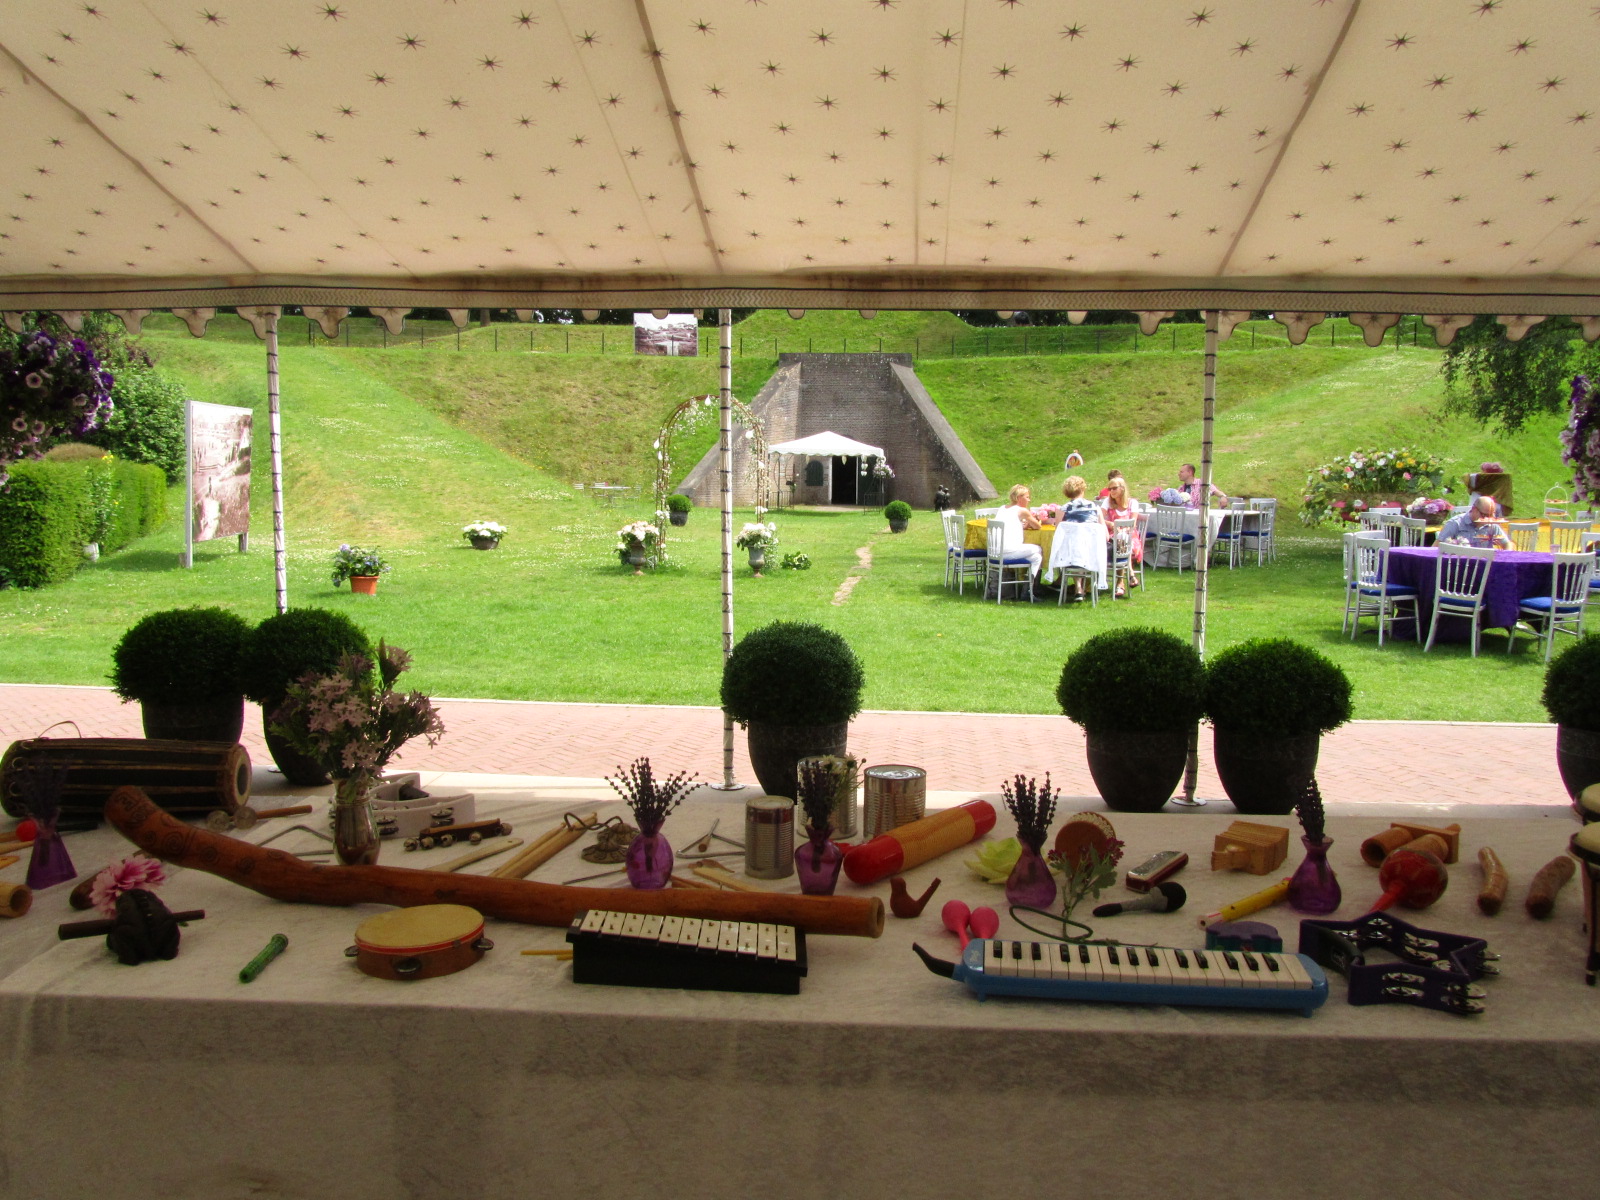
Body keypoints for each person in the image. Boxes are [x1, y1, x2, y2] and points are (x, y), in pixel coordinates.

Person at [1100, 476, 1143, 597]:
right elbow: (1099, 517)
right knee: (1120, 542)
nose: (1111, 491)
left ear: (1122, 489)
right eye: (1109, 489)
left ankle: (1121, 582)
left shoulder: (1132, 503)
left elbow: (1133, 523)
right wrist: (1110, 524)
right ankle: (1130, 575)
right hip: (1114, 537)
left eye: (1114, 488)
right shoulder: (1107, 501)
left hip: (1130, 536)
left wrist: (1121, 527)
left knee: (1123, 541)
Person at [992, 483, 1043, 581]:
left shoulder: (1002, 508)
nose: (1029, 500)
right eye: (1027, 497)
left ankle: (1028, 588)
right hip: (1008, 551)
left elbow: (1011, 524)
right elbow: (1037, 526)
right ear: (1019, 498)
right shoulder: (1022, 510)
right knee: (1038, 548)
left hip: (995, 551)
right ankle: (1030, 587)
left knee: (1036, 557)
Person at [1437, 494, 1512, 549]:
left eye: (1490, 515)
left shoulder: (1491, 524)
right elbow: (1437, 546)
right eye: (1483, 515)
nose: (1487, 519)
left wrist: (1506, 554)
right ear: (1474, 509)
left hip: (1485, 566)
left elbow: (1507, 543)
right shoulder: (1456, 523)